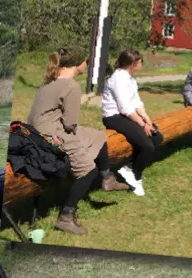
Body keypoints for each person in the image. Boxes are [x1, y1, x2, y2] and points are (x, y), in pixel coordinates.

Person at [27, 49, 130, 235]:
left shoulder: (52, 79)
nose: (86, 65)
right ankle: (66, 216)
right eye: (86, 61)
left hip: (39, 132)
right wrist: (76, 140)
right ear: (78, 64)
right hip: (50, 136)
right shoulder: (71, 86)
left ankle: (108, 179)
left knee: (98, 136)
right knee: (88, 170)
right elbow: (70, 124)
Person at [101, 49, 163, 197]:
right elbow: (125, 108)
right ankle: (136, 175)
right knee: (147, 146)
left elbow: (135, 102)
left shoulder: (130, 78)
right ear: (132, 64)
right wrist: (142, 125)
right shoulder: (118, 79)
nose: (142, 63)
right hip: (114, 117)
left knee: (157, 137)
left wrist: (147, 120)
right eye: (140, 61)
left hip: (126, 114)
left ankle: (130, 167)